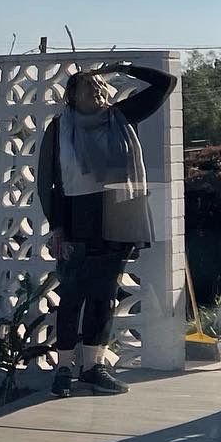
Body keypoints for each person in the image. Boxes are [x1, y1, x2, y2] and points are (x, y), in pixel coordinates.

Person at [37, 60, 177, 396]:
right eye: (88, 86)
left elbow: (166, 83)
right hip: (78, 221)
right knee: (72, 296)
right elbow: (48, 183)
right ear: (72, 96)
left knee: (104, 296)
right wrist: (57, 226)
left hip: (119, 217)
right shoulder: (60, 129)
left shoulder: (120, 117)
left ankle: (93, 367)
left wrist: (125, 67)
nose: (97, 90)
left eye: (100, 86)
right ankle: (64, 368)